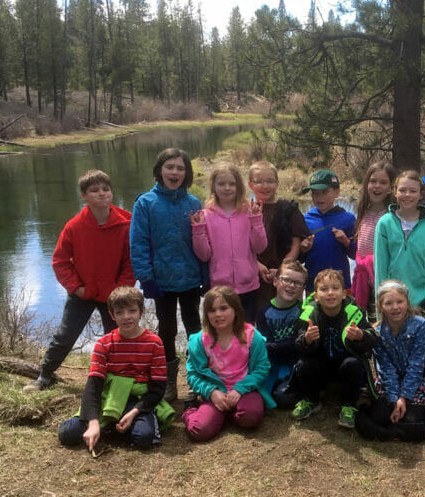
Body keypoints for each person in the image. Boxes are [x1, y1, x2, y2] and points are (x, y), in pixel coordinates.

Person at [25, 170, 135, 392]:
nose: (102, 194)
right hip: (82, 293)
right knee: (65, 336)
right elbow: (60, 262)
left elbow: (131, 261)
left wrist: (120, 290)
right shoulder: (74, 226)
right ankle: (44, 376)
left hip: (113, 295)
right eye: (94, 191)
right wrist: (76, 288)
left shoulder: (126, 223)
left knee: (118, 338)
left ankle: (118, 380)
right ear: (84, 196)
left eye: (106, 189)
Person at [57, 286, 173, 451]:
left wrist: (135, 411)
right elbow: (94, 385)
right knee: (68, 434)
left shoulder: (154, 343)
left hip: (137, 398)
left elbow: (158, 387)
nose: (126, 317)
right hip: (109, 396)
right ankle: (106, 425)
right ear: (112, 315)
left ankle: (132, 421)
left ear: (142, 311)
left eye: (132, 311)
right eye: (119, 312)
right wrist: (93, 422)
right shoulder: (104, 344)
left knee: (143, 438)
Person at [130, 148, 205, 402]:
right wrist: (145, 278)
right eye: (170, 167)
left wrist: (205, 274)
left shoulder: (193, 203)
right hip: (160, 280)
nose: (175, 172)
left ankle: (197, 379)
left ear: (187, 173)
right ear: (159, 170)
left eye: (180, 168)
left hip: (191, 278)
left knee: (195, 327)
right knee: (167, 330)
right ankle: (169, 382)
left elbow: (203, 240)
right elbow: (138, 242)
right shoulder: (145, 203)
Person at [289, 269, 377, 429]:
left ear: (344, 293)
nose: (330, 293)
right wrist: (307, 339)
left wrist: (360, 336)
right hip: (319, 366)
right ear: (316, 296)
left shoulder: (353, 312)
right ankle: (312, 401)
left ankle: (349, 405)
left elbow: (372, 337)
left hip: (344, 366)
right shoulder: (309, 313)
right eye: (324, 289)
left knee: (354, 364)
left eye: (335, 288)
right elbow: (297, 343)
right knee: (304, 364)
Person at [183, 287, 273, 442]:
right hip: (215, 392)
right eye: (212, 310)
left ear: (235, 309)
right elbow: (193, 374)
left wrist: (240, 389)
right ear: (206, 314)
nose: (218, 314)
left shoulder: (251, 336)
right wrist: (212, 392)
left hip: (245, 390)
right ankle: (191, 411)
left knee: (251, 417)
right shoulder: (200, 341)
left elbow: (262, 368)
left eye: (224, 308)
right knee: (199, 430)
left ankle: (226, 413)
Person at [355, 281, 425, 441]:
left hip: (415, 380)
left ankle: (392, 431)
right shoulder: (377, 331)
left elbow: (416, 363)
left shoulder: (420, 324)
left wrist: (403, 398)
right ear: (380, 306)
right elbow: (385, 367)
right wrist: (394, 399)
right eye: (389, 303)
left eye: (400, 301)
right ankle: (396, 430)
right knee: (381, 414)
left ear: (407, 302)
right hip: (390, 381)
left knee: (412, 417)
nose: (395, 307)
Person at [191, 162, 268, 323]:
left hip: (249, 286)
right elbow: (204, 255)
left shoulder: (249, 212)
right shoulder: (206, 215)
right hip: (220, 288)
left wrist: (256, 221)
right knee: (222, 333)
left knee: (246, 333)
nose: (227, 188)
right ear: (213, 185)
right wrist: (198, 230)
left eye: (231, 184)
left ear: (239, 186)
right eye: (221, 184)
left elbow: (260, 247)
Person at [374, 170, 425, 317]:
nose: (407, 195)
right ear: (394, 192)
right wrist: (380, 311)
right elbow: (380, 268)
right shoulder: (384, 223)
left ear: (421, 194)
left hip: (424, 302)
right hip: (393, 303)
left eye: (413, 191)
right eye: (402, 190)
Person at [248, 160, 308, 305]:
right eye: (259, 182)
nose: (265, 186)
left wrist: (281, 270)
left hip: (285, 276)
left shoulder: (289, 209)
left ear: (277, 182)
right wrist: (256, 265)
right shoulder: (246, 211)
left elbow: (295, 245)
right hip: (255, 275)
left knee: (288, 314)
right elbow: (240, 246)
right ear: (250, 184)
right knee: (260, 318)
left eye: (270, 181)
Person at [255, 260, 307, 408]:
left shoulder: (303, 312)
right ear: (276, 281)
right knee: (259, 396)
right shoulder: (263, 312)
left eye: (297, 283)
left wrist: (268, 346)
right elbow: (266, 343)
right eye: (287, 280)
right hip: (272, 364)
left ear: (303, 288)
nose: (291, 286)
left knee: (282, 398)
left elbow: (296, 344)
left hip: (294, 363)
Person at [299, 169, 356, 293]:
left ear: (337, 192)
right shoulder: (306, 220)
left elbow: (355, 254)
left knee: (345, 313)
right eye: (315, 193)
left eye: (324, 192)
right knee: (313, 313)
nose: (319, 197)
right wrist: (303, 249)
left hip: (341, 286)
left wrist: (346, 241)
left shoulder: (348, 219)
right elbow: (300, 259)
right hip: (313, 286)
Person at [352, 162, 398, 311]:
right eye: (373, 181)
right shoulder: (363, 210)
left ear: (392, 187)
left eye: (383, 182)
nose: (377, 186)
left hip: (383, 279)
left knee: (383, 319)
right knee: (368, 320)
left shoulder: (391, 216)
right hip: (364, 279)